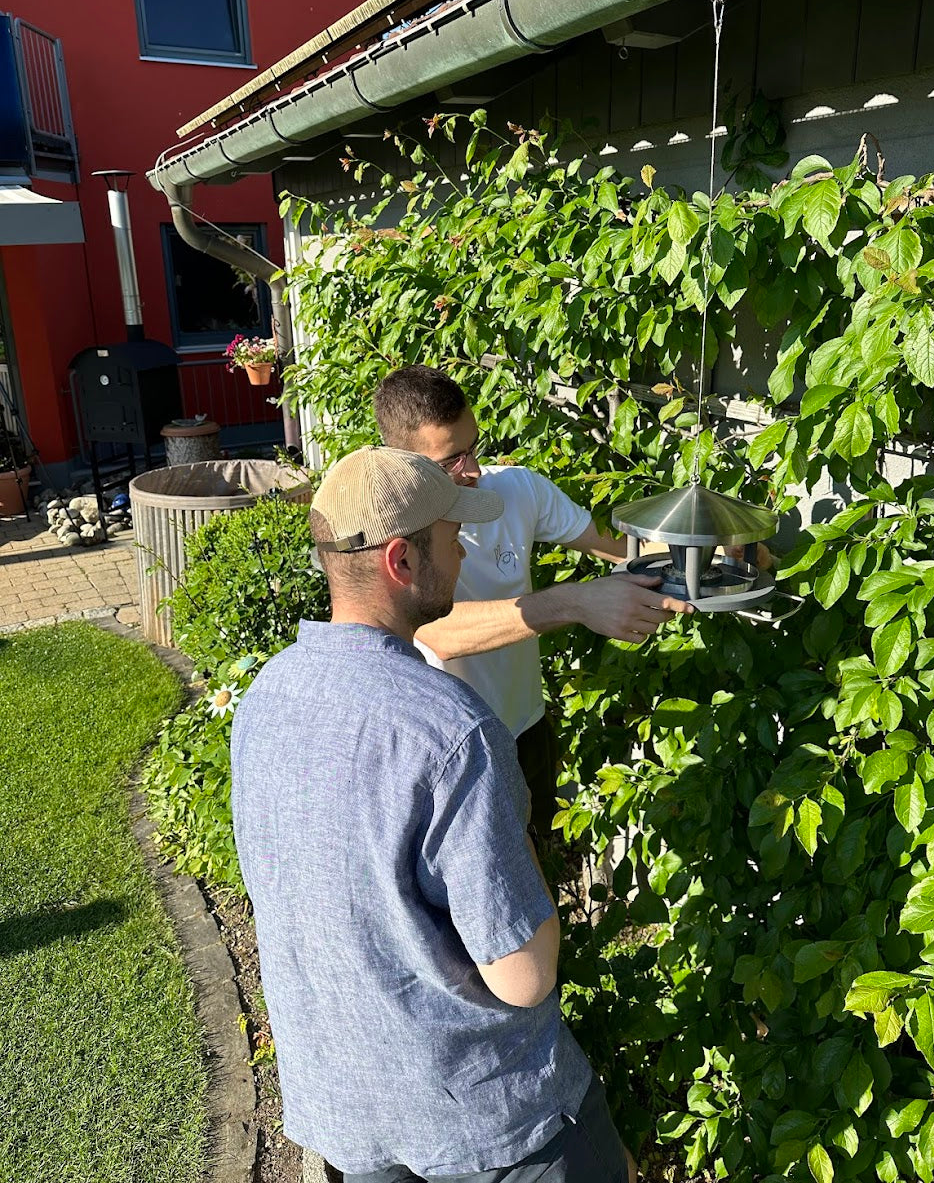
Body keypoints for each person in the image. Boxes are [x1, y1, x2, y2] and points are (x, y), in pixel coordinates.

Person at [231, 446, 636, 1182]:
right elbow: (523, 973)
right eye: (451, 532)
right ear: (401, 560)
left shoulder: (267, 696)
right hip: (489, 1122)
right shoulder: (450, 731)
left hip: (349, 1112)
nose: (462, 544)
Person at [372, 365, 694, 833]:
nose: (476, 470)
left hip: (524, 728)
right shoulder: (383, 531)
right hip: (444, 752)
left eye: (474, 447)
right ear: (402, 461)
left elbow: (622, 549)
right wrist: (576, 602)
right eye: (452, 461)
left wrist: (711, 550)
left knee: (538, 867)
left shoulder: (516, 489)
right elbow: (433, 633)